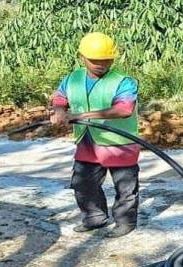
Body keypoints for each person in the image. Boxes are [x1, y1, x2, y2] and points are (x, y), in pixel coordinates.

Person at [50, 32, 140, 238]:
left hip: (119, 142)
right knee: (83, 183)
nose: (101, 64)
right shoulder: (73, 78)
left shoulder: (123, 81)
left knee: (125, 187)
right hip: (87, 140)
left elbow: (124, 109)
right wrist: (59, 111)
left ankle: (125, 222)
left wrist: (80, 116)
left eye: (107, 60)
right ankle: (94, 217)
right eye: (95, 61)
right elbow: (60, 97)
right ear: (82, 57)